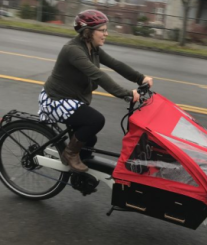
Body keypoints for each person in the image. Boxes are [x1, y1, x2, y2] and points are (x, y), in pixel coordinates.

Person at [38, 9, 153, 172]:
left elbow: (115, 64)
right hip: (56, 100)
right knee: (95, 121)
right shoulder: (73, 50)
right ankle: (69, 154)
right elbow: (98, 75)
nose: (106, 34)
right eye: (102, 30)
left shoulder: (93, 47)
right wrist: (127, 94)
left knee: (89, 140)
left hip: (73, 99)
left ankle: (80, 177)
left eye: (106, 30)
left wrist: (140, 78)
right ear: (88, 32)